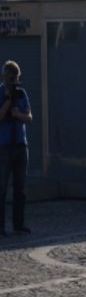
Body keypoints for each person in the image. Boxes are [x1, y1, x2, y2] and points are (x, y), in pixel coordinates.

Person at [0, 61, 33, 237]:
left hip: (21, 145)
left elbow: (29, 117)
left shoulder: (22, 93)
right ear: (4, 76)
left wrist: (18, 114)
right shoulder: (0, 92)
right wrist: (7, 99)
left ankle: (18, 225)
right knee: (2, 187)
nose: (13, 81)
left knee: (20, 188)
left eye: (16, 78)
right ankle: (1, 226)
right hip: (4, 146)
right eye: (10, 78)